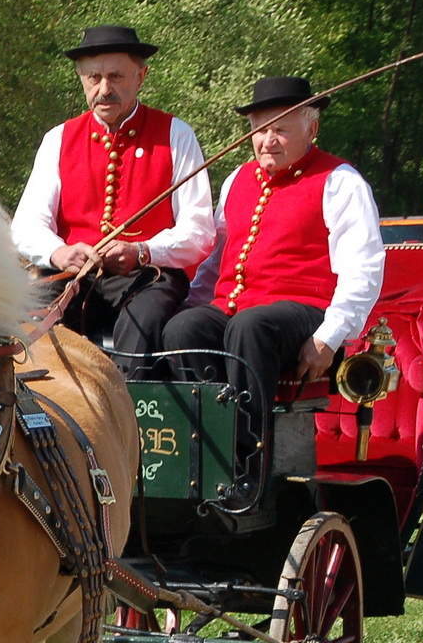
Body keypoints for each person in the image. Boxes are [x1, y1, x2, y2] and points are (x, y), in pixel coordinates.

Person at [161, 76, 384, 485]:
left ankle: (249, 466)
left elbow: (363, 269)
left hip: (304, 313)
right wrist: (191, 305)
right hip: (237, 308)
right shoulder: (236, 181)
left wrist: (329, 337)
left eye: (281, 128)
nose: (268, 140)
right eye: (261, 129)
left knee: (252, 325)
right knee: (181, 329)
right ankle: (204, 456)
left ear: (311, 129)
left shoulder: (341, 182)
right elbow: (216, 263)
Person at [12, 24, 215, 377]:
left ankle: (127, 416)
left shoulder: (176, 135)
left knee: (143, 319)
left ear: (140, 77)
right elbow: (27, 224)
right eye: (94, 78)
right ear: (82, 80)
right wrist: (60, 253)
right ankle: (36, 415)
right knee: (25, 317)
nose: (104, 89)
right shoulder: (58, 139)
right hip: (73, 275)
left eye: (116, 77)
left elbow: (200, 231)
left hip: (147, 278)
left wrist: (143, 251)